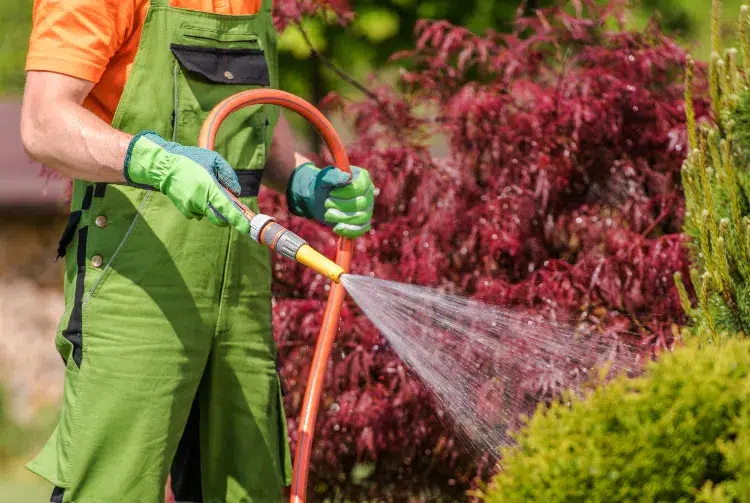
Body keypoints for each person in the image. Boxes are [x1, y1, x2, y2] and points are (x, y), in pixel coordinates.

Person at [20, 1, 375, 501]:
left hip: (241, 290)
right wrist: (155, 162)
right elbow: (43, 121)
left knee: (246, 485)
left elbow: (257, 116)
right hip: (135, 276)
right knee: (112, 486)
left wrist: (306, 180)